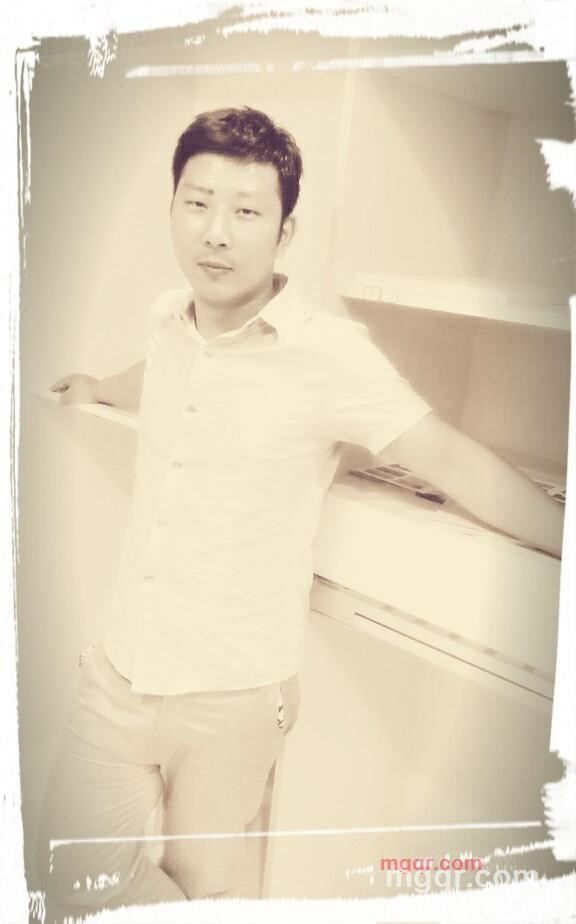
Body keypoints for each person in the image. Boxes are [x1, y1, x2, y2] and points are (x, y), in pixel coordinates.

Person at [38, 106, 564, 920]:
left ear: (285, 231)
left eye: (246, 211)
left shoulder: (329, 353)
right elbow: (164, 371)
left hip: (233, 696)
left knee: (206, 894)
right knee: (68, 875)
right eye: (197, 202)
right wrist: (100, 388)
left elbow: (450, 457)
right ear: (173, 206)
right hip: (120, 669)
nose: (216, 232)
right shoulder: (166, 318)